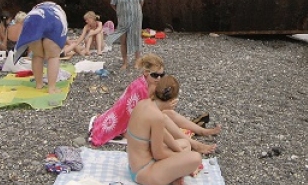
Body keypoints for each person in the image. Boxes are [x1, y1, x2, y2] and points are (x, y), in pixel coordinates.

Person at [89, 53, 218, 154]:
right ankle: (195, 144)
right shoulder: (139, 88)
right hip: (126, 127)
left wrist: (164, 107)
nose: (159, 79)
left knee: (169, 114)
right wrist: (163, 108)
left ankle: (201, 131)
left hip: (136, 120)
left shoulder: (151, 84)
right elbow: (144, 114)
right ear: (146, 73)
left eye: (162, 75)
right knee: (165, 117)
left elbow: (150, 110)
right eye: (156, 75)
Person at [126, 75, 203, 185]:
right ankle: (172, 176)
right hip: (144, 172)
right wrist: (181, 156)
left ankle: (172, 178)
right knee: (195, 158)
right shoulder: (157, 117)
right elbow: (158, 154)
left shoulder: (144, 103)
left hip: (136, 165)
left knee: (185, 144)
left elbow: (164, 135)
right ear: (172, 100)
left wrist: (181, 153)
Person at [11, 1, 69, 95]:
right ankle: (51, 88)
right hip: (54, 21)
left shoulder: (34, 11)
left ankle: (39, 84)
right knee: (53, 57)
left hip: (33, 21)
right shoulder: (59, 12)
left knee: (37, 55)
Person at [110, 0, 144, 70]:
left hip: (136, 18)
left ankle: (137, 60)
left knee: (136, 38)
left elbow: (141, 0)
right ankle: (125, 62)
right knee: (123, 40)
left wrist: (136, 11)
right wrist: (120, 12)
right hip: (123, 19)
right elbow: (113, 3)